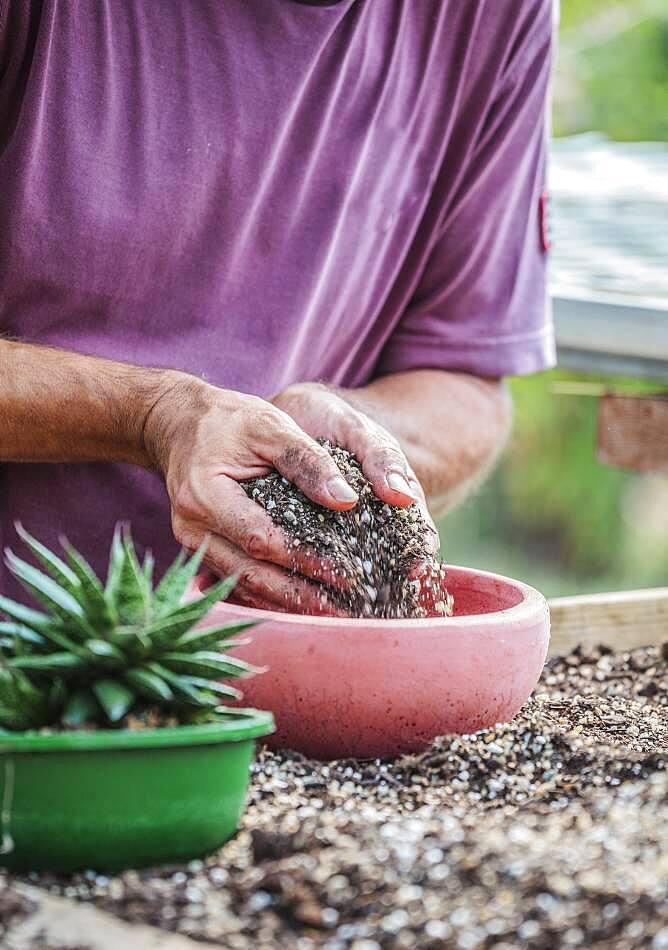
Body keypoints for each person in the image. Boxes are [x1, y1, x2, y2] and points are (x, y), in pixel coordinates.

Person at [0, 0, 555, 612]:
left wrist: (338, 434)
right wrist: (157, 415)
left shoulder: (495, 15)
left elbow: (465, 385)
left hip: (275, 667)